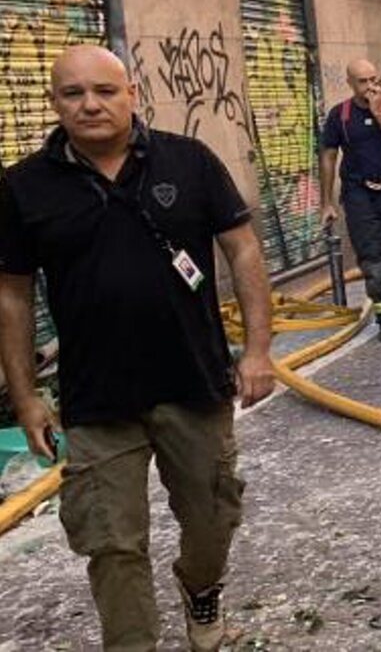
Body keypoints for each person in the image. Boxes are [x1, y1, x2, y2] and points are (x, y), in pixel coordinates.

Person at [0, 45, 274, 652]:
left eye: (104, 90)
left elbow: (244, 249)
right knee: (112, 544)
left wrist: (258, 350)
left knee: (213, 518)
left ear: (133, 95)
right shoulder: (24, 187)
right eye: (73, 94)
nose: (90, 104)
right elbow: (12, 296)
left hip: (193, 384)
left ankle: (200, 590)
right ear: (54, 103)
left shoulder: (189, 161)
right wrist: (26, 399)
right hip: (97, 400)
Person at [319, 59, 381, 342]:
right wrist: (326, 202)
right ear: (350, 84)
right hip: (358, 194)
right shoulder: (339, 115)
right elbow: (328, 156)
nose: (370, 86)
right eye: (362, 81)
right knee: (373, 258)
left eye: (373, 79)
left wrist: (380, 115)